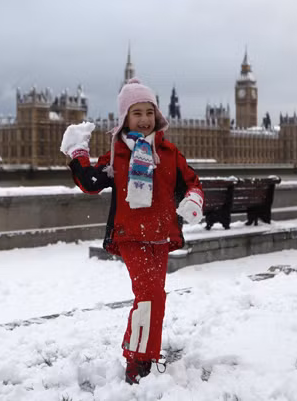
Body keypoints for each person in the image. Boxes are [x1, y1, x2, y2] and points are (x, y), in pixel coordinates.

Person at [60, 77, 204, 385]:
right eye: (137, 113)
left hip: (161, 235)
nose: (144, 119)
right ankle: (136, 364)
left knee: (155, 298)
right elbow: (90, 182)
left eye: (149, 112)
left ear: (157, 115)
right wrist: (77, 152)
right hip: (130, 235)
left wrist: (192, 198)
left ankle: (143, 357)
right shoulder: (118, 156)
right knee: (148, 294)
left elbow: (191, 181)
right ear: (125, 117)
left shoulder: (168, 153)